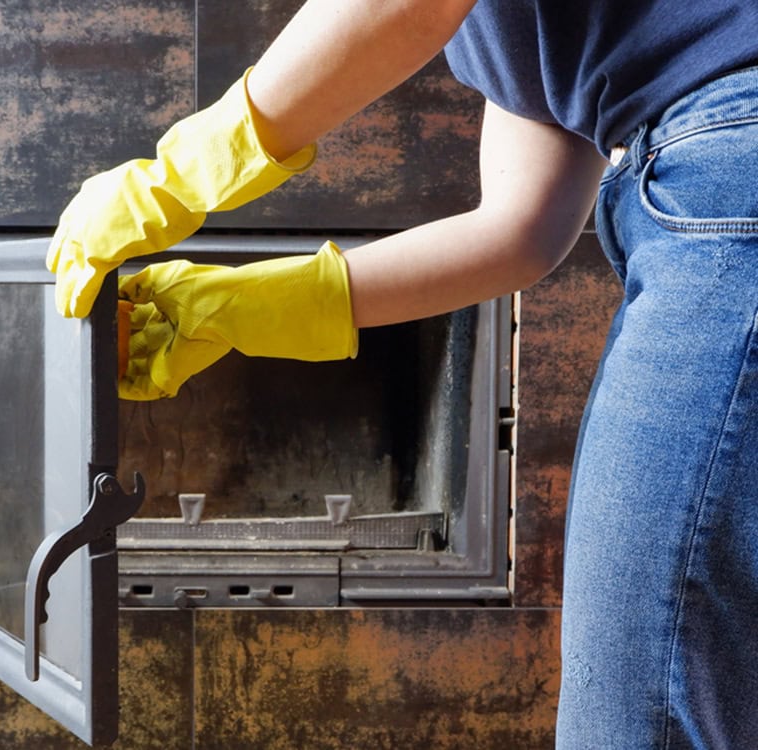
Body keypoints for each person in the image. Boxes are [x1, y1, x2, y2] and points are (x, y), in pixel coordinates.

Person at [45, 1, 758, 746]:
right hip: (712, 186)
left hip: (731, 176)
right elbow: (522, 228)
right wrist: (239, 309)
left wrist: (179, 174)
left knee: (640, 718)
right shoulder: (536, 36)